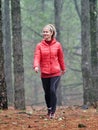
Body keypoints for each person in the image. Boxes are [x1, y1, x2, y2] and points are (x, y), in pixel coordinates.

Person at [33, 24, 66, 118]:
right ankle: (49, 109)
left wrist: (63, 68)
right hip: (44, 73)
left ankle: (53, 112)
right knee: (47, 93)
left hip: (56, 73)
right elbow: (37, 56)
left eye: (46, 32)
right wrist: (36, 66)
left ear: (51, 33)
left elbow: (61, 58)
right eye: (43, 32)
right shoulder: (39, 45)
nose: (44, 33)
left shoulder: (57, 45)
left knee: (52, 90)